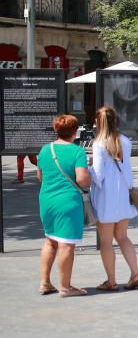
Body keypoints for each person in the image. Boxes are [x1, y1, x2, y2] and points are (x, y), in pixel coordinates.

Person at [36, 114, 91, 297]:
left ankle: (45, 283)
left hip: (46, 200)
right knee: (66, 244)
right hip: (68, 202)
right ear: (75, 132)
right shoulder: (77, 152)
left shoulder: (45, 150)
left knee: (50, 240)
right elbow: (82, 180)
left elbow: (40, 177)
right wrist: (90, 173)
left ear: (56, 130)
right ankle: (66, 287)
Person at [89, 106, 138, 291]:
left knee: (105, 241)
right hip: (122, 195)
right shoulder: (125, 141)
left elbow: (98, 175)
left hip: (106, 196)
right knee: (123, 236)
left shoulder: (98, 144)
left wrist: (87, 168)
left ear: (98, 122)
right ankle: (135, 272)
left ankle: (111, 280)